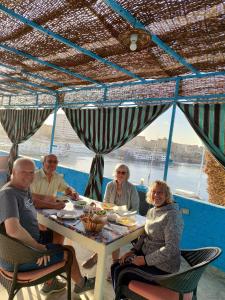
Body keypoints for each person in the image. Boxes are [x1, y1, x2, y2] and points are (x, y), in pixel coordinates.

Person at [0, 158, 94, 295]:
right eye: (24, 172)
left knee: (57, 233)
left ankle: (50, 280)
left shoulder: (22, 189)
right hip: (18, 257)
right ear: (13, 172)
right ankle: (81, 284)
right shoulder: (8, 194)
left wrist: (55, 205)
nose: (29, 176)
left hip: (25, 244)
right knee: (69, 251)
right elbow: (13, 229)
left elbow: (34, 202)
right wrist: (38, 248)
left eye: (31, 172)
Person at [111, 180, 183, 293]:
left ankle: (123, 295)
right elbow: (145, 235)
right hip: (146, 255)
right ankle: (122, 295)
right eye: (154, 192)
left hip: (163, 267)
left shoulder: (172, 215)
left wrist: (145, 260)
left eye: (160, 192)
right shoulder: (152, 211)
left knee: (121, 272)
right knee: (115, 265)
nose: (156, 195)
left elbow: (171, 248)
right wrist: (133, 251)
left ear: (167, 195)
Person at [82, 163, 140, 270]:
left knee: (114, 236)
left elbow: (135, 209)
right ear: (115, 173)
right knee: (98, 228)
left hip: (125, 220)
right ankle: (112, 263)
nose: (120, 174)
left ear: (127, 175)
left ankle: (100, 258)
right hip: (111, 216)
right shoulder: (110, 185)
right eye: (118, 172)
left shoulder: (132, 188)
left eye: (123, 172)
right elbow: (105, 203)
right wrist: (109, 212)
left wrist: (122, 216)